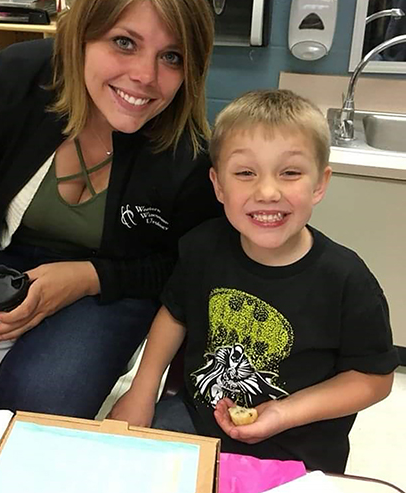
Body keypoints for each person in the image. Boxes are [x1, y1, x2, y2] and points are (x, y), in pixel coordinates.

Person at [0, 0, 223, 417]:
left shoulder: (189, 152)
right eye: (124, 42)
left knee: (45, 399)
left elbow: (185, 267)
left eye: (172, 56)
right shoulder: (14, 78)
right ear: (81, 35)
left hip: (111, 277)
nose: (145, 76)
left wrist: (86, 278)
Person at [110, 89, 399, 473]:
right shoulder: (202, 247)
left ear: (319, 183)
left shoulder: (347, 280)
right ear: (218, 185)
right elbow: (175, 314)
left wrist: (283, 412)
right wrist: (142, 391)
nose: (267, 192)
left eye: (290, 172)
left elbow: (374, 379)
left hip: (298, 447)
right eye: (245, 173)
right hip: (197, 421)